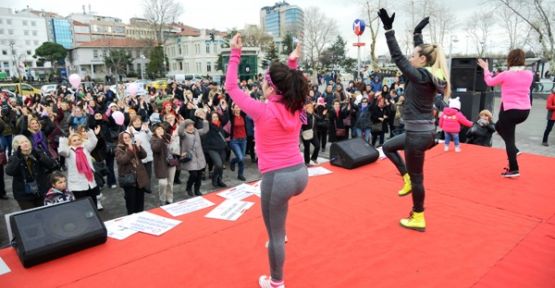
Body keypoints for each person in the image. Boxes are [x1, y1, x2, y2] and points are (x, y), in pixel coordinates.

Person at [226, 33, 309, 288]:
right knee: (278, 227)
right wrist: (292, 62)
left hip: (277, 178)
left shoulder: (262, 110)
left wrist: (235, 54)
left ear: (272, 87)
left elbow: (231, 88)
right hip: (300, 173)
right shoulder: (296, 104)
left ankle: (276, 282)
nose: (261, 84)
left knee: (273, 236)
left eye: (264, 81)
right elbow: (291, 82)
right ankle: (279, 236)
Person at [378, 12, 449, 232]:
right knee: (388, 147)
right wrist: (418, 33)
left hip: (417, 136)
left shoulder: (420, 76)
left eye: (414, 54)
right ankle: (406, 177)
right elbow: (422, 53)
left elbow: (399, 58)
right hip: (420, 133)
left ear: (421, 60)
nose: (410, 57)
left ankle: (418, 216)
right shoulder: (429, 73)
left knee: (419, 179)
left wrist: (389, 32)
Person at [478, 49, 533, 177]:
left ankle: (514, 169)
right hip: (525, 111)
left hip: (509, 110)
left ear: (510, 60)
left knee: (509, 139)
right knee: (497, 127)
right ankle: (514, 150)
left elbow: (490, 82)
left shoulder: (506, 74)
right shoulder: (530, 74)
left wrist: (486, 69)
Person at [6, 135, 57, 209]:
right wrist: (19, 158)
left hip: (41, 190)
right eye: (22, 143)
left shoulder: (37, 152)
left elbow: (51, 165)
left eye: (26, 141)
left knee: (44, 213)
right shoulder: (14, 157)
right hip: (23, 194)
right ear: (17, 146)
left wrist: (39, 156)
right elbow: (9, 172)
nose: (25, 143)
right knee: (30, 216)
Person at [58, 127, 100, 207]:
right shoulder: (68, 151)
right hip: (77, 185)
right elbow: (62, 151)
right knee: (83, 206)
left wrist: (90, 132)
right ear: (70, 142)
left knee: (93, 204)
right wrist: (63, 139)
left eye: (78, 139)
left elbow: (94, 141)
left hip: (89, 182)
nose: (77, 142)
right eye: (74, 140)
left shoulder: (85, 148)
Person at [116, 131, 149, 214]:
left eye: (129, 137)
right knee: (131, 202)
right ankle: (131, 217)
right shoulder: (119, 149)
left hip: (139, 177)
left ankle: (140, 215)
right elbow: (123, 160)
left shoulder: (135, 146)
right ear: (121, 139)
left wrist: (138, 147)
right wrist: (130, 149)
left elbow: (144, 155)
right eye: (125, 138)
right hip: (129, 178)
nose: (128, 139)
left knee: (140, 200)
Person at [178, 114, 209, 197]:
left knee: (199, 175)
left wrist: (205, 120)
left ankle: (197, 190)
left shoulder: (196, 131)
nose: (191, 127)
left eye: (192, 125)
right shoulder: (183, 135)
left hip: (199, 157)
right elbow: (179, 132)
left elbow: (205, 130)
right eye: (188, 126)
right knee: (193, 174)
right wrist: (182, 122)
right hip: (190, 158)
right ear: (185, 127)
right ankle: (188, 188)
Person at [150, 123, 174, 205]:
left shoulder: (167, 137)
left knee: (170, 183)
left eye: (161, 129)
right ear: (154, 131)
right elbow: (155, 149)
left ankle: (169, 199)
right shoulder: (153, 139)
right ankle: (162, 199)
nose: (160, 131)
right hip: (161, 164)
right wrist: (160, 139)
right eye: (158, 129)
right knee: (163, 183)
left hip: (171, 162)